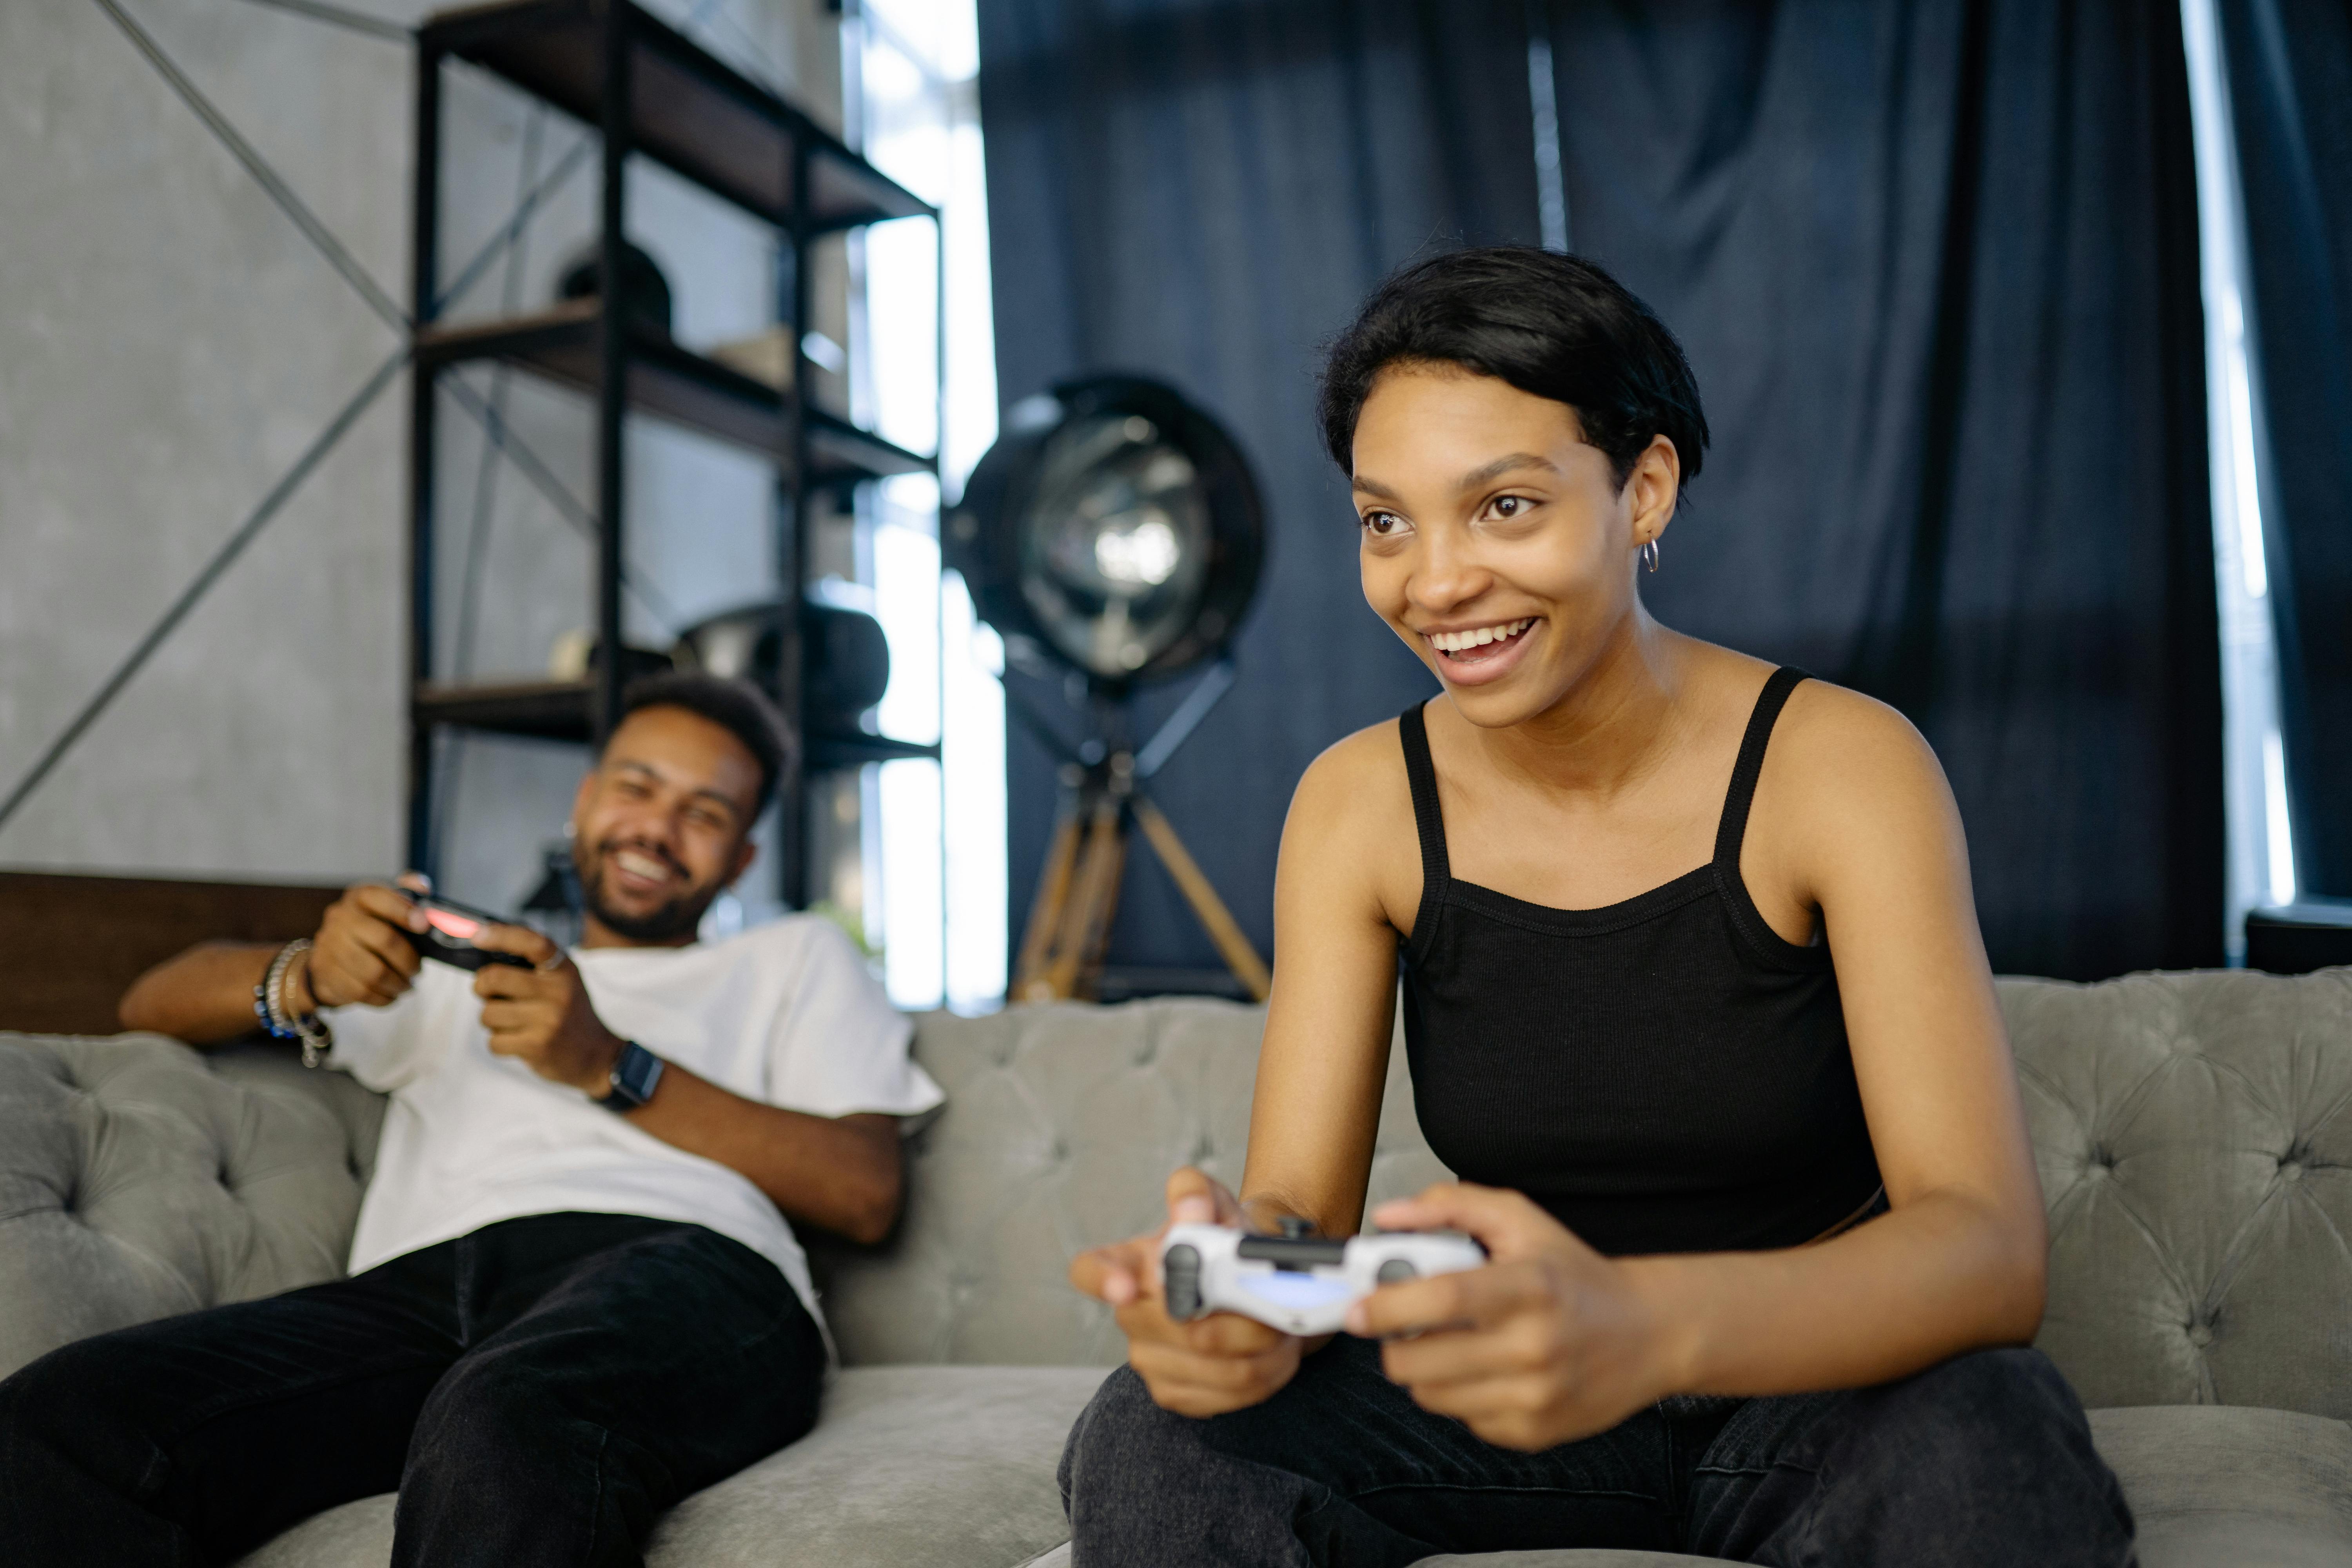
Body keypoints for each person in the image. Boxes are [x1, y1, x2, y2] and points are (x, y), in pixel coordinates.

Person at [1060, 249, 2136, 1566]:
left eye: (1503, 507)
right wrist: (1240, 1291)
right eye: (1385, 521)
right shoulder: (1361, 803)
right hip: (1511, 1398)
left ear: (1645, 489)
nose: (1435, 581)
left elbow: (1987, 1257)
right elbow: (1298, 1211)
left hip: (1819, 1383)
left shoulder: (1841, 767)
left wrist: (1639, 1324)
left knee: (1989, 1441)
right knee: (1152, 1441)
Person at [0, 673, 942, 1568]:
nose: (656, 826)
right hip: (419, 1292)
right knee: (64, 1421)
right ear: (583, 803)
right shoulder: (458, 970)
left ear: (740, 857)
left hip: (687, 1267)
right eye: (638, 786)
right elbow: (149, 1002)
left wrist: (609, 1061)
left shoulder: (794, 957)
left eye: (703, 812)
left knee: (508, 1410)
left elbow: (864, 1191)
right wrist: (309, 973)